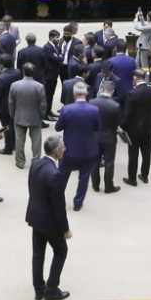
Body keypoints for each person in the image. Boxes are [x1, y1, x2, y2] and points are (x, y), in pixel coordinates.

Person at [26, 135, 72, 300]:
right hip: (50, 223)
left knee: (38, 254)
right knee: (61, 251)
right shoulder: (56, 175)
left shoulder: (36, 164)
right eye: (63, 147)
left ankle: (39, 290)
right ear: (57, 151)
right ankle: (51, 289)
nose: (65, 149)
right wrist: (66, 229)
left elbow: (31, 189)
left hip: (35, 217)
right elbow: (59, 207)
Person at [55, 82, 99, 211]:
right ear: (86, 94)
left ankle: (58, 201)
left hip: (68, 150)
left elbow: (58, 127)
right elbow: (98, 127)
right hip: (88, 149)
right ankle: (78, 204)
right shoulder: (94, 110)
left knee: (62, 176)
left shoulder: (66, 109)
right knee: (84, 178)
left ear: (74, 94)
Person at [120, 70, 151, 186]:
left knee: (133, 155)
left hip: (134, 130)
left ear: (135, 78)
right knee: (146, 154)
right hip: (148, 127)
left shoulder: (132, 94)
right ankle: (144, 176)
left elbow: (128, 114)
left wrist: (122, 126)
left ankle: (132, 179)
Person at [9, 62, 47, 169]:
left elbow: (11, 102)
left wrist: (13, 114)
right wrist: (42, 115)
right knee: (36, 141)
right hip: (35, 116)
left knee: (19, 140)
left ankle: (20, 161)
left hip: (19, 116)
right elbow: (43, 104)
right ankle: (36, 160)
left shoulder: (14, 85)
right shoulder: (39, 87)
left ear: (23, 71)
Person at [89, 81, 121, 193]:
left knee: (95, 163)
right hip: (110, 138)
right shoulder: (116, 106)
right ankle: (108, 186)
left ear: (102, 89)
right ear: (112, 91)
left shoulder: (91, 103)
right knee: (109, 163)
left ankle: (95, 185)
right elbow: (118, 123)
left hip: (95, 138)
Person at [0, 54, 21, 155]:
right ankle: (16, 145)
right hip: (16, 104)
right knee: (14, 125)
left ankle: (8, 147)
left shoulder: (0, 78)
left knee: (7, 127)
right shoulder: (18, 72)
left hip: (4, 107)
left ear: (1, 65)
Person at [42, 30, 62, 120]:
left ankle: (49, 111)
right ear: (51, 37)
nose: (58, 39)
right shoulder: (47, 47)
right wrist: (59, 57)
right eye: (57, 37)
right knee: (48, 95)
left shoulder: (56, 47)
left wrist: (59, 57)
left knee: (51, 94)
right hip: (48, 76)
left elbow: (61, 55)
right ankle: (45, 114)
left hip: (54, 75)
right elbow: (57, 59)